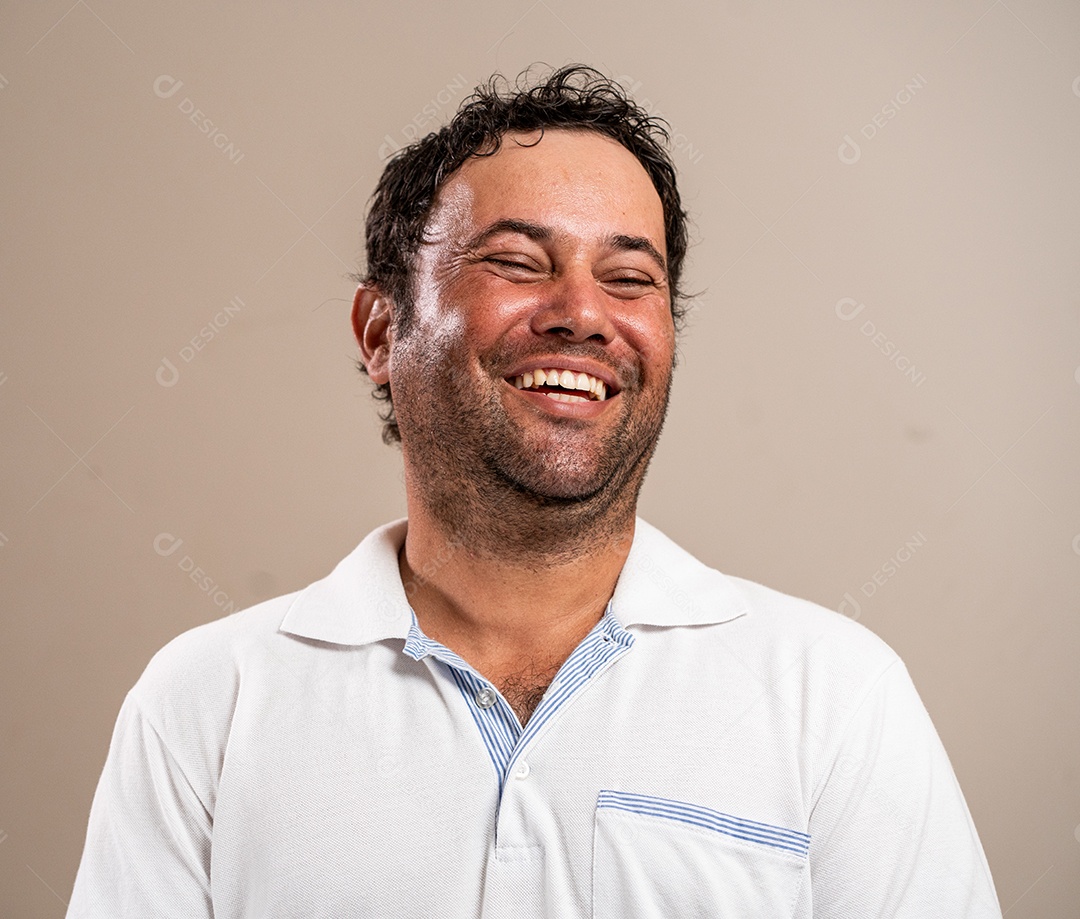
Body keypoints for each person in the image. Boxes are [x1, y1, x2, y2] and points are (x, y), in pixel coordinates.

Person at [68, 65, 1002, 917]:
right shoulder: (204, 707)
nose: (584, 314)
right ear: (380, 331)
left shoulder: (835, 698)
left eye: (630, 277)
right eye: (516, 261)